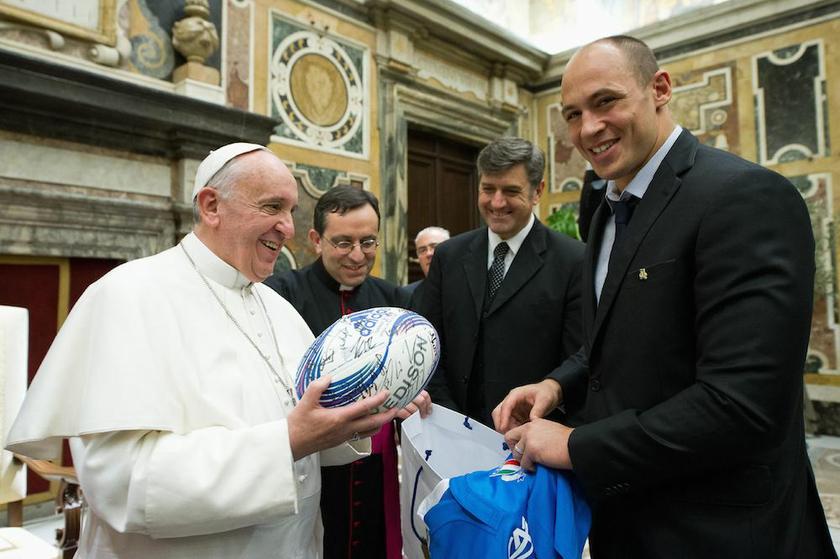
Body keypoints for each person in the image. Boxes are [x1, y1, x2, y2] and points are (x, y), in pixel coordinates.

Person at [493, 36, 835, 558]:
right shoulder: (606, 210)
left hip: (720, 533)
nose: (588, 128)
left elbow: (743, 405)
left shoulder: (744, 197)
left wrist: (576, 445)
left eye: (606, 101)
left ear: (660, 89)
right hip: (627, 523)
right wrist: (556, 385)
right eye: (573, 114)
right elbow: (618, 336)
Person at [5, 143, 426, 558]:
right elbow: (122, 484)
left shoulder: (279, 309)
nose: (288, 228)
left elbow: (307, 437)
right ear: (211, 206)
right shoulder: (128, 294)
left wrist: (356, 417)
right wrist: (288, 440)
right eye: (272, 207)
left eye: (291, 211)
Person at [265, 185, 425, 559]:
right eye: (343, 243)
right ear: (315, 240)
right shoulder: (282, 294)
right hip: (311, 464)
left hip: (374, 465)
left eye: (368, 242)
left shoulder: (394, 299)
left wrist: (415, 393)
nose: (357, 255)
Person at [414, 137, 585, 428]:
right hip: (449, 429)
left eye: (511, 191)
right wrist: (449, 417)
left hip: (530, 433)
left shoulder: (573, 260)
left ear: (538, 191)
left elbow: (579, 356)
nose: (496, 203)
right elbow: (427, 341)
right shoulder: (449, 256)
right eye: (488, 189)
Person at [401, 226, 450, 304]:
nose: (428, 253)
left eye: (435, 247)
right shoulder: (407, 295)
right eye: (422, 250)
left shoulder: (467, 285)